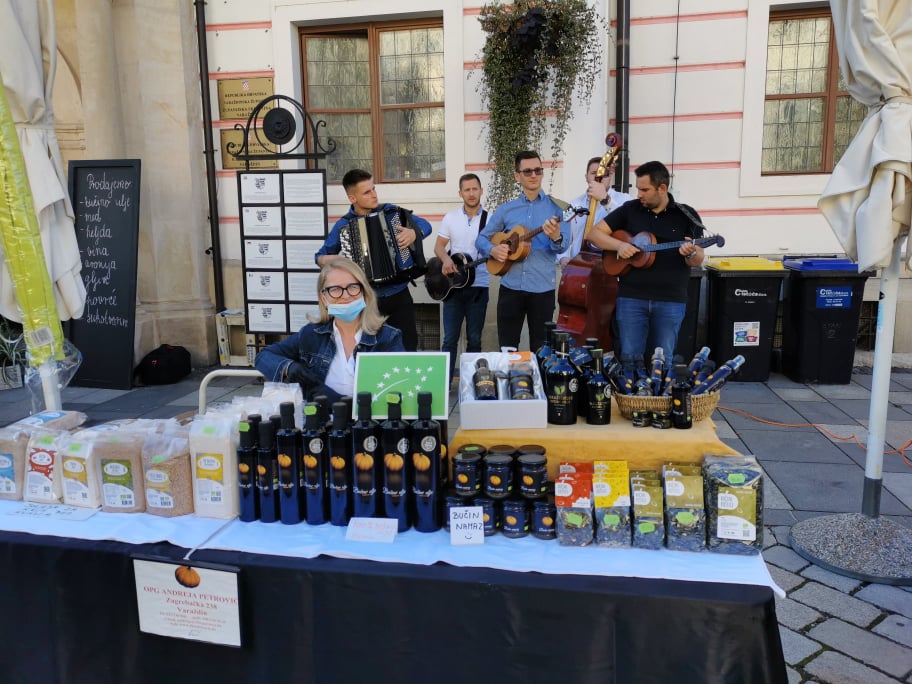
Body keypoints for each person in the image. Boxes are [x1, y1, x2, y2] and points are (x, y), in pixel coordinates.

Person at [585, 160, 704, 362]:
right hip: (631, 298)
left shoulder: (686, 215)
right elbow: (594, 234)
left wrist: (691, 253)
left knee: (662, 360)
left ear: (662, 188)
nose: (639, 194)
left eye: (645, 190)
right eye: (638, 189)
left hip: (670, 300)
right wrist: (619, 246)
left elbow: (697, 259)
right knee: (629, 358)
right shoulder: (630, 209)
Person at [255, 258, 404, 402]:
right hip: (321, 418)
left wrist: (337, 401)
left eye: (353, 287)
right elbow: (263, 356)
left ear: (364, 292)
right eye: (335, 289)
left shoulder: (388, 337)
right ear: (323, 297)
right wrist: (289, 367)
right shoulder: (311, 335)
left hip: (368, 419)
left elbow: (400, 390)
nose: (346, 296)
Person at [316, 169, 432, 351]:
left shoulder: (390, 212)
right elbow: (320, 257)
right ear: (352, 198)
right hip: (367, 299)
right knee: (370, 348)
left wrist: (414, 233)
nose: (374, 195)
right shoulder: (344, 225)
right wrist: (334, 260)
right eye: (367, 192)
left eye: (374, 189)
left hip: (399, 295)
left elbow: (425, 225)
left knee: (408, 346)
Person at [476, 151, 571, 353]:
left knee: (542, 351)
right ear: (517, 176)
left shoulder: (559, 209)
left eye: (538, 170)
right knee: (507, 349)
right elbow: (481, 238)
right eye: (527, 171)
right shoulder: (506, 209)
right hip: (510, 287)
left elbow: (563, 246)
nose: (534, 175)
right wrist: (494, 250)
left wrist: (556, 237)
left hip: (542, 288)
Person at [434, 173, 489, 383]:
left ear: (481, 190)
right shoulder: (451, 217)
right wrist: (446, 259)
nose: (471, 193)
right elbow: (439, 246)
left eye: (475, 189)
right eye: (467, 190)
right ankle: (445, 386)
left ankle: (472, 386)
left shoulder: (491, 219)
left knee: (474, 339)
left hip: (479, 287)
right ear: (460, 193)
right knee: (449, 339)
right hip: (453, 288)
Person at [557, 157, 632, 268]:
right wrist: (563, 257)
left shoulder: (624, 200)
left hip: (612, 267)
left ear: (610, 176)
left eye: (603, 174)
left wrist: (605, 200)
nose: (598, 177)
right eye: (593, 173)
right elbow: (563, 235)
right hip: (579, 269)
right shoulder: (574, 204)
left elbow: (628, 225)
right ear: (586, 177)